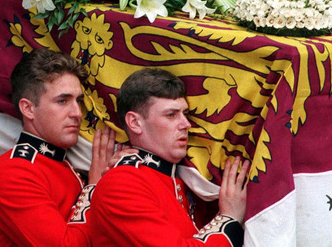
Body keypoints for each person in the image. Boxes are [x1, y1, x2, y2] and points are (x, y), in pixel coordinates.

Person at [0, 48, 126, 246]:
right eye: (62, 101)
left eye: (79, 101)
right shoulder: (12, 173)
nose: (77, 113)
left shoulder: (60, 165)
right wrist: (95, 187)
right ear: (28, 109)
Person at [91, 68, 248, 247]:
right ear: (135, 122)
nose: (186, 124)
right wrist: (229, 219)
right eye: (171, 115)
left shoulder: (188, 182)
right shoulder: (121, 183)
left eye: (185, 114)